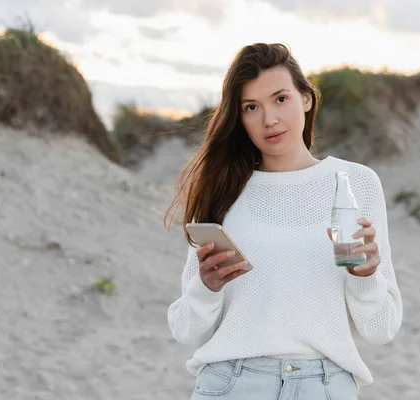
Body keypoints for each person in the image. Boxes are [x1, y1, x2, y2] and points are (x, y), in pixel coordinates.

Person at [164, 42, 402, 400]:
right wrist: (207, 286)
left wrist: (365, 277)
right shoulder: (223, 189)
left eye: (280, 99)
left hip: (326, 386)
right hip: (231, 384)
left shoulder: (356, 182)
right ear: (239, 117)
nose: (269, 119)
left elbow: (380, 329)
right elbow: (185, 328)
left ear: (306, 98)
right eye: (251, 107)